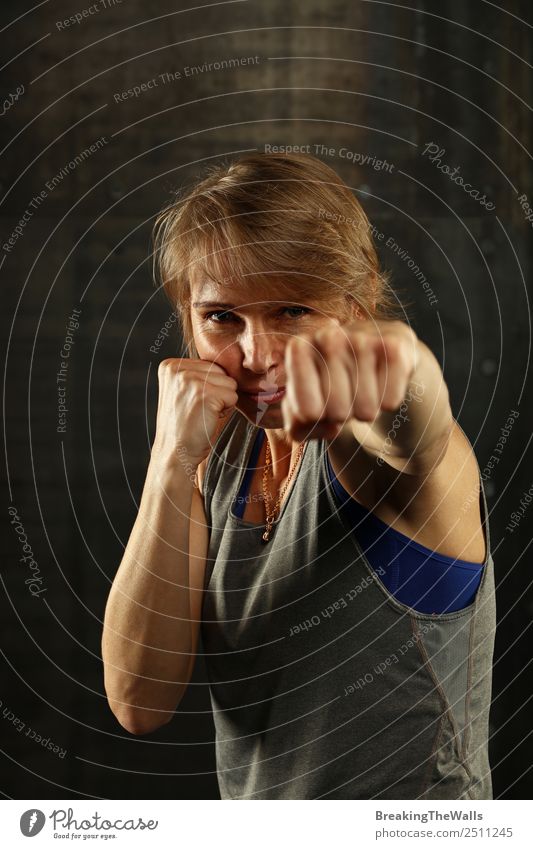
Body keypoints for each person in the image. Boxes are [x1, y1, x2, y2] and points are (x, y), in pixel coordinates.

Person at [102, 152, 496, 800]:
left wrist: (400, 365)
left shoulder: (392, 466)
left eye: (291, 310)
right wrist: (170, 463)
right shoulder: (218, 457)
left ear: (355, 299)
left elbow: (414, 427)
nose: (256, 354)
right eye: (222, 316)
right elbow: (139, 700)